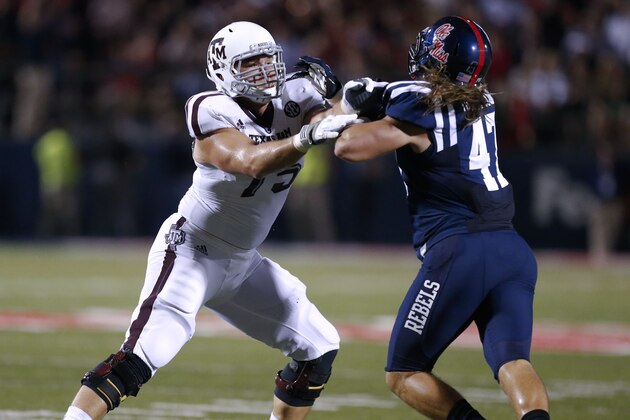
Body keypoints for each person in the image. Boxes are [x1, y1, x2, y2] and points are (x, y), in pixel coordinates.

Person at [63, 21, 360, 420]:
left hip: (244, 262)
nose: (265, 71)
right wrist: (309, 136)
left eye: (268, 60)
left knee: (319, 347)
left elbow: (337, 131)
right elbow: (250, 161)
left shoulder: (297, 94)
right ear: (224, 72)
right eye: (249, 64)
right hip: (192, 251)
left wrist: (354, 104)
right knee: (140, 358)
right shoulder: (208, 108)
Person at [334, 16, 550, 420]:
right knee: (512, 362)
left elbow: (349, 148)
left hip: (461, 251)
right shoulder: (482, 99)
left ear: (436, 55)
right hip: (513, 251)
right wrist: (377, 94)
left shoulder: (416, 102)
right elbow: (426, 97)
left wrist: (349, 109)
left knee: (403, 372)